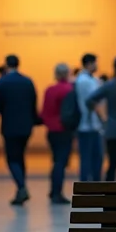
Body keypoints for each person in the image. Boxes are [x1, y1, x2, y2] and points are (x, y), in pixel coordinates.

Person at [0, 54, 40, 205]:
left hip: (10, 126)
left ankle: (21, 186)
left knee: (12, 158)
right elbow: (33, 103)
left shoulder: (2, 82)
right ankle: (20, 190)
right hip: (26, 126)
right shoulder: (27, 81)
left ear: (6, 65)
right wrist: (35, 120)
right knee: (21, 156)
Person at [41, 63, 74, 204]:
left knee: (55, 161)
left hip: (51, 130)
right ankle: (57, 192)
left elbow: (44, 111)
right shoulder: (69, 89)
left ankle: (53, 189)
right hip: (64, 130)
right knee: (61, 162)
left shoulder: (49, 90)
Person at [74, 54, 104, 182]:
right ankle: (86, 183)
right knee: (88, 158)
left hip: (92, 124)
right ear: (89, 64)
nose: (96, 65)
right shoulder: (84, 80)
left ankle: (93, 182)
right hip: (87, 125)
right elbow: (93, 100)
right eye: (95, 62)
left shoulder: (91, 79)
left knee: (95, 157)